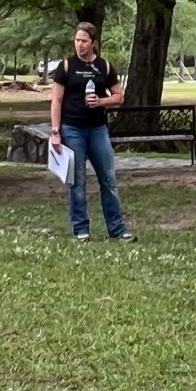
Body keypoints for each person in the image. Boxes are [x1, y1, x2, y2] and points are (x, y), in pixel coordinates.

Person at [48, 22, 136, 242]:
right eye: (77, 40)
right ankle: (81, 229)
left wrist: (101, 101)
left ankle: (117, 229)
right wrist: (56, 131)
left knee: (108, 178)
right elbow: (56, 100)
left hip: (97, 129)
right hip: (72, 128)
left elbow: (119, 96)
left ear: (93, 43)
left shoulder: (104, 67)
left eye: (84, 41)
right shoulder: (67, 66)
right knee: (77, 181)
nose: (79, 45)